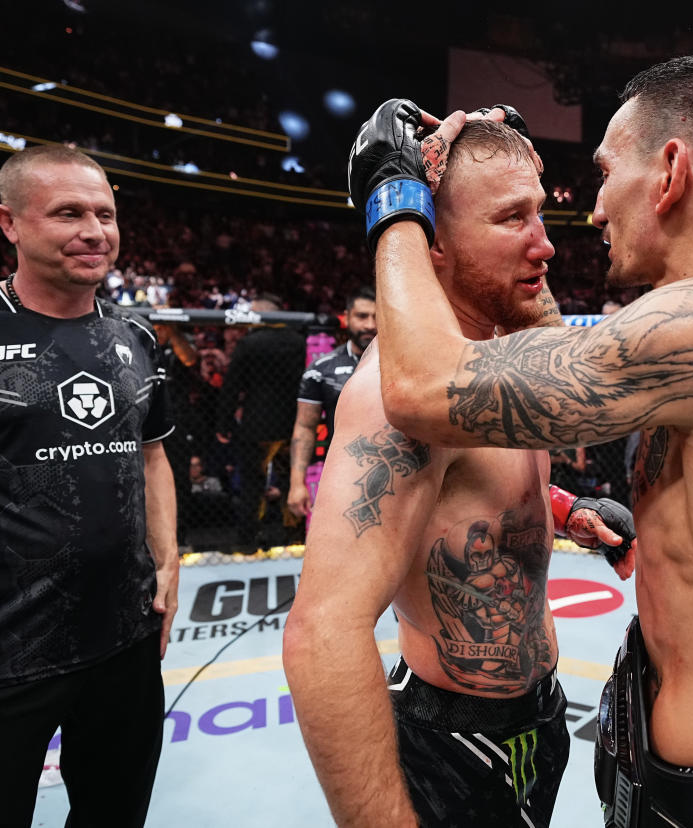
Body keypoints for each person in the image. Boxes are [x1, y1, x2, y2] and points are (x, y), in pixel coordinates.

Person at [349, 56, 693, 828]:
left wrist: (392, 198)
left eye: (603, 173)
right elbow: (572, 383)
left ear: (668, 172)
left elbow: (424, 391)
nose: (590, 210)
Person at [283, 117, 636, 828]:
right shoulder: (402, 396)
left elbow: (482, 475)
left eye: (539, 211)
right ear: (433, 240)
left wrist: (565, 510)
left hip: (536, 718)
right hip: (449, 740)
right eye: (512, 218)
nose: (546, 243)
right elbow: (322, 632)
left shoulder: (493, 351)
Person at [0, 144, 178, 826]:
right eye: (69, 213)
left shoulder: (133, 336)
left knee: (114, 814)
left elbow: (153, 455)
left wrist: (167, 563)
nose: (95, 231)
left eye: (105, 213)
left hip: (124, 640)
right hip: (11, 650)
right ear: (10, 223)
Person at [215, 293, 305, 550]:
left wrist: (223, 425)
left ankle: (248, 541)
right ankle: (295, 536)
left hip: (258, 424)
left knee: (253, 486)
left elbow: (231, 387)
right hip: (292, 422)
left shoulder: (250, 343)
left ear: (262, 314)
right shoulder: (299, 341)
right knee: (291, 480)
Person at [288, 286, 378, 518]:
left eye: (377, 317)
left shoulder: (405, 365)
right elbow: (305, 427)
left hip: (400, 471)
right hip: (342, 474)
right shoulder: (321, 369)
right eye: (362, 316)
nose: (369, 325)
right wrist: (297, 484)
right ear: (346, 317)